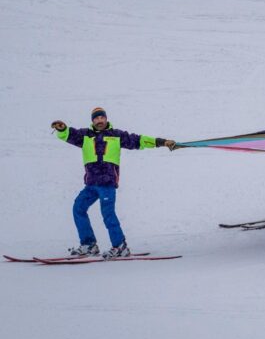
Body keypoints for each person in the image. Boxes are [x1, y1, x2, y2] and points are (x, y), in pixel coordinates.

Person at [51, 107, 175, 258]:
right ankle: (89, 244)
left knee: (107, 214)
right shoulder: (85, 136)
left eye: (102, 117)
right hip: (91, 184)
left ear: (106, 119)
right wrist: (63, 129)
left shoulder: (117, 135)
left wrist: (162, 142)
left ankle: (120, 246)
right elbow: (69, 134)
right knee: (78, 208)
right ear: (92, 121)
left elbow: (139, 140)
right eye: (96, 118)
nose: (99, 120)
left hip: (107, 184)